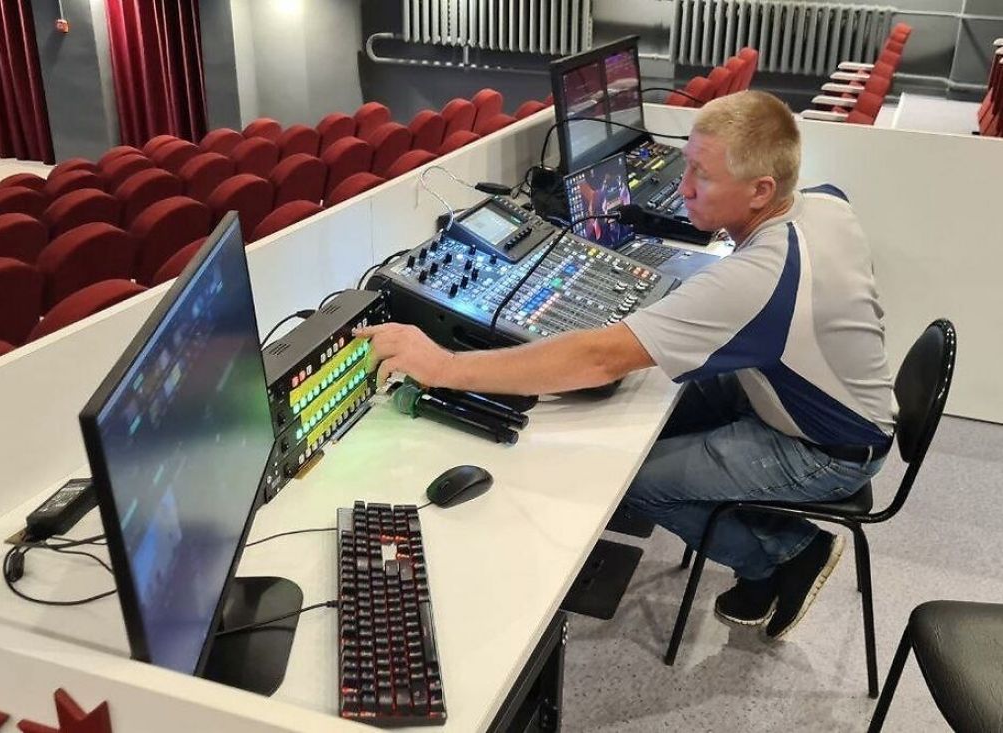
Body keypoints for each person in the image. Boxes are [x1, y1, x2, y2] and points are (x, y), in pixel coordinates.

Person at [355, 90, 894, 639]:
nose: (683, 188)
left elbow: (600, 359)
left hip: (827, 448)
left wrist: (444, 366)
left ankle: (789, 555)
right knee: (658, 412)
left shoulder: (758, 278)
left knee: (635, 480)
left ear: (761, 190)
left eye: (703, 177)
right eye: (687, 165)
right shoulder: (826, 203)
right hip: (805, 398)